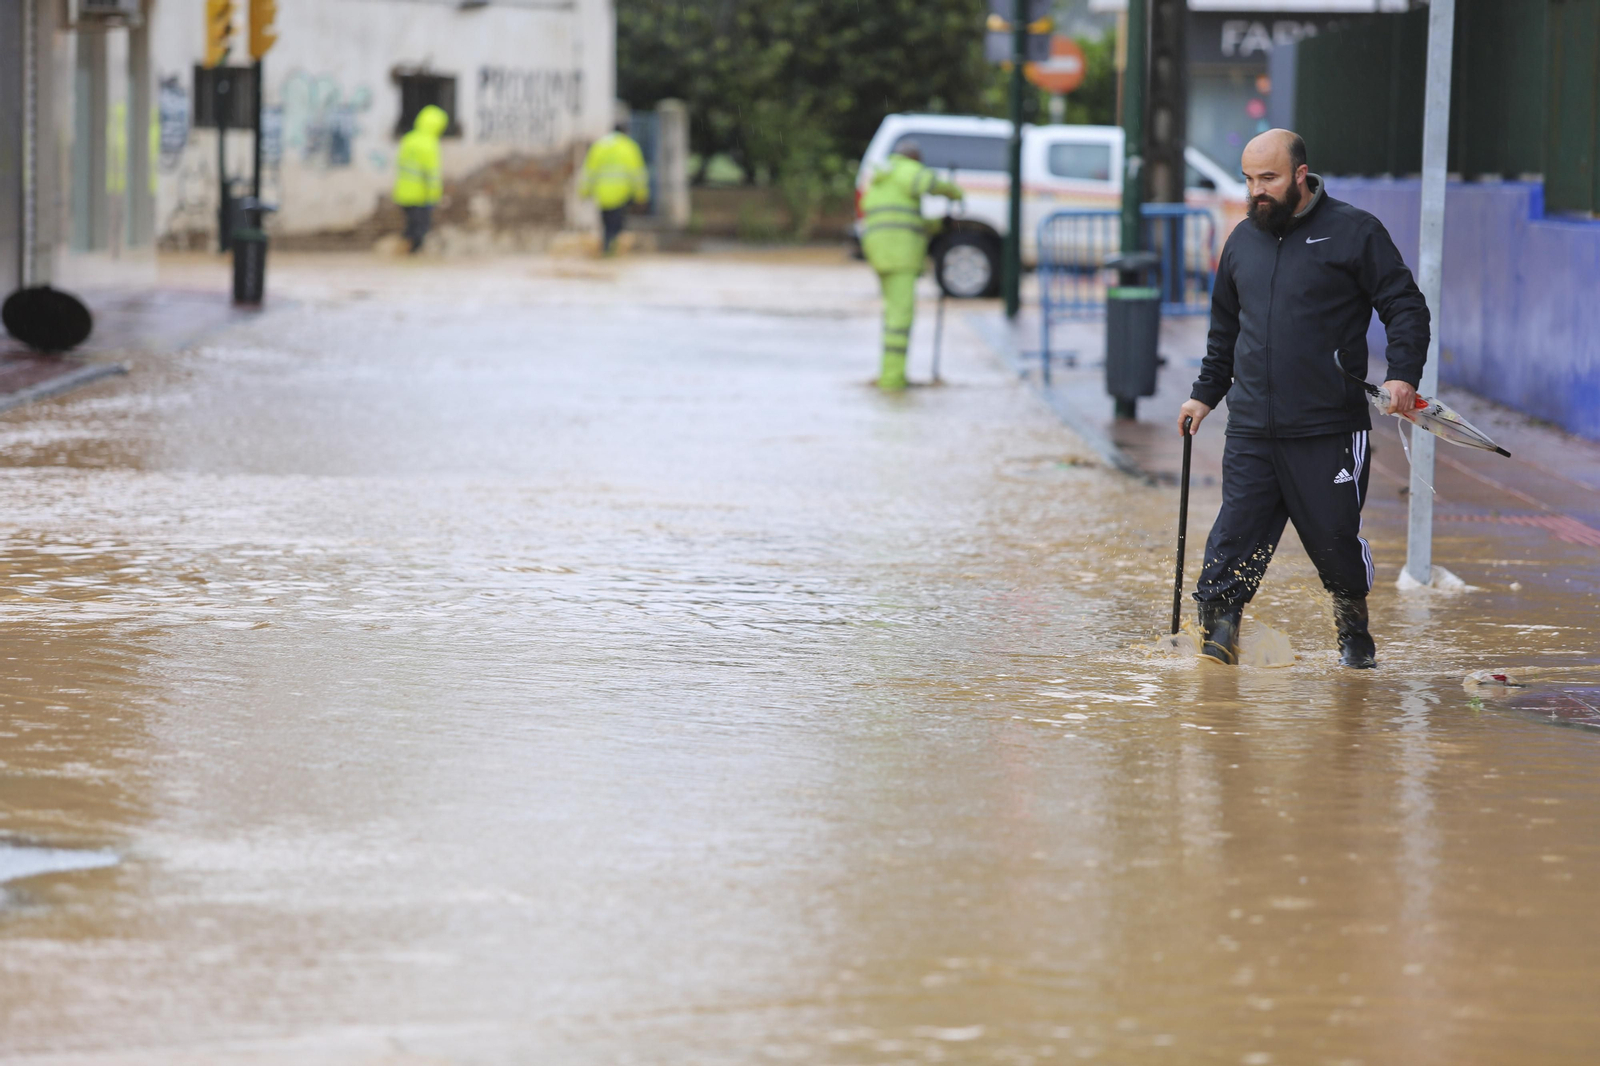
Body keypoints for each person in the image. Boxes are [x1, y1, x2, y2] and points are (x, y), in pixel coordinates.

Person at [1176, 129, 1429, 669]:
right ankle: (1217, 658)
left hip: (1329, 432)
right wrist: (1204, 397)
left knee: (1337, 548)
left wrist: (1403, 375)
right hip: (1251, 431)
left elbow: (1405, 306)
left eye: (1267, 178)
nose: (1255, 191)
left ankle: (1354, 640)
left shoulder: (1355, 232)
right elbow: (1225, 331)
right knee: (1230, 551)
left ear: (1299, 174)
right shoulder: (1243, 239)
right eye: (1248, 180)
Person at [858, 141, 963, 390]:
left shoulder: (883, 178)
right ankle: (892, 380)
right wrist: (955, 193)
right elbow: (929, 183)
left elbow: (907, 221)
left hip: (880, 252)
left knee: (893, 313)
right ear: (914, 158)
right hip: (900, 254)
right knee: (900, 317)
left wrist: (939, 224)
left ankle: (889, 374)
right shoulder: (906, 170)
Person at [580, 122, 650, 255]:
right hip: (621, 194)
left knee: (606, 223)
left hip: (602, 194)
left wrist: (584, 192)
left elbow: (589, 172)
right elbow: (638, 174)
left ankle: (607, 247)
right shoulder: (629, 146)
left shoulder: (599, 146)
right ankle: (610, 249)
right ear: (625, 131)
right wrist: (641, 196)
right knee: (616, 224)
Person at [394, 105, 448, 254]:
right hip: (421, 195)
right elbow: (431, 174)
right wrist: (434, 196)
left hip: (403, 193)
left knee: (411, 226)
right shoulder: (430, 144)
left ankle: (403, 255)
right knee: (419, 230)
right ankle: (409, 257)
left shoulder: (409, 139)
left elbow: (401, 165)